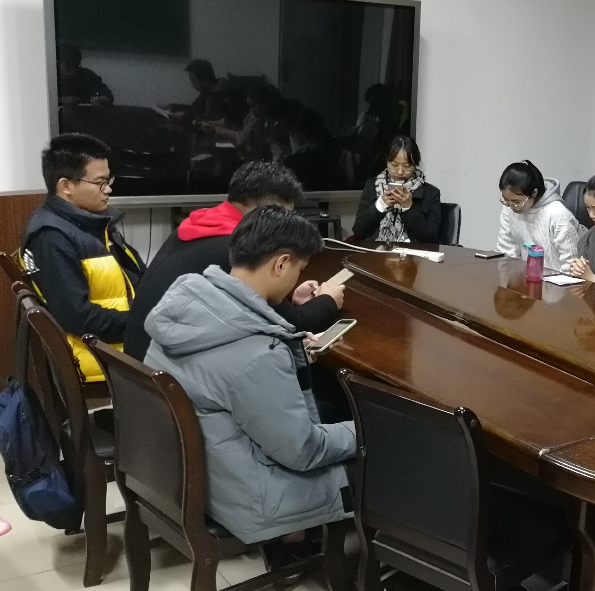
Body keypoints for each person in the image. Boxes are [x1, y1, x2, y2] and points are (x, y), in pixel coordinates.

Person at [143, 206, 355, 545]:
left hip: (191, 474)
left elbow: (223, 373)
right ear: (281, 263)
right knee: (384, 454)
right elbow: (304, 451)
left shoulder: (188, 302)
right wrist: (367, 430)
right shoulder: (258, 355)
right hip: (248, 497)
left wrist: (291, 351)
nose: (296, 279)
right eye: (298, 269)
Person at [123, 161, 344, 362]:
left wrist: (289, 297)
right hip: (167, 374)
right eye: (283, 217)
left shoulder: (199, 224)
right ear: (265, 213)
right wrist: (328, 300)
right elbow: (291, 324)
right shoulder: (239, 248)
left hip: (141, 361)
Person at [21, 134, 145, 382]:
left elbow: (137, 277)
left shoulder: (89, 223)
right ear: (66, 186)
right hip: (103, 356)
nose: (108, 189)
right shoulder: (51, 237)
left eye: (108, 180)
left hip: (119, 343)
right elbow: (78, 317)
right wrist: (143, 324)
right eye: (100, 182)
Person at [352, 135, 442, 243]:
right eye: (394, 165)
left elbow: (431, 239)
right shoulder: (372, 186)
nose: (400, 171)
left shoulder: (431, 193)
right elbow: (358, 231)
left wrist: (409, 208)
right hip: (376, 250)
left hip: (412, 252)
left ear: (415, 164)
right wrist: (380, 204)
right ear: (387, 162)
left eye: (407, 166)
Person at [495, 160, 580, 271]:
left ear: (534, 193)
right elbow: (506, 251)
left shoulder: (558, 213)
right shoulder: (509, 208)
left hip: (557, 278)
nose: (511, 206)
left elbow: (571, 265)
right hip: (526, 277)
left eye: (516, 202)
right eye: (506, 200)